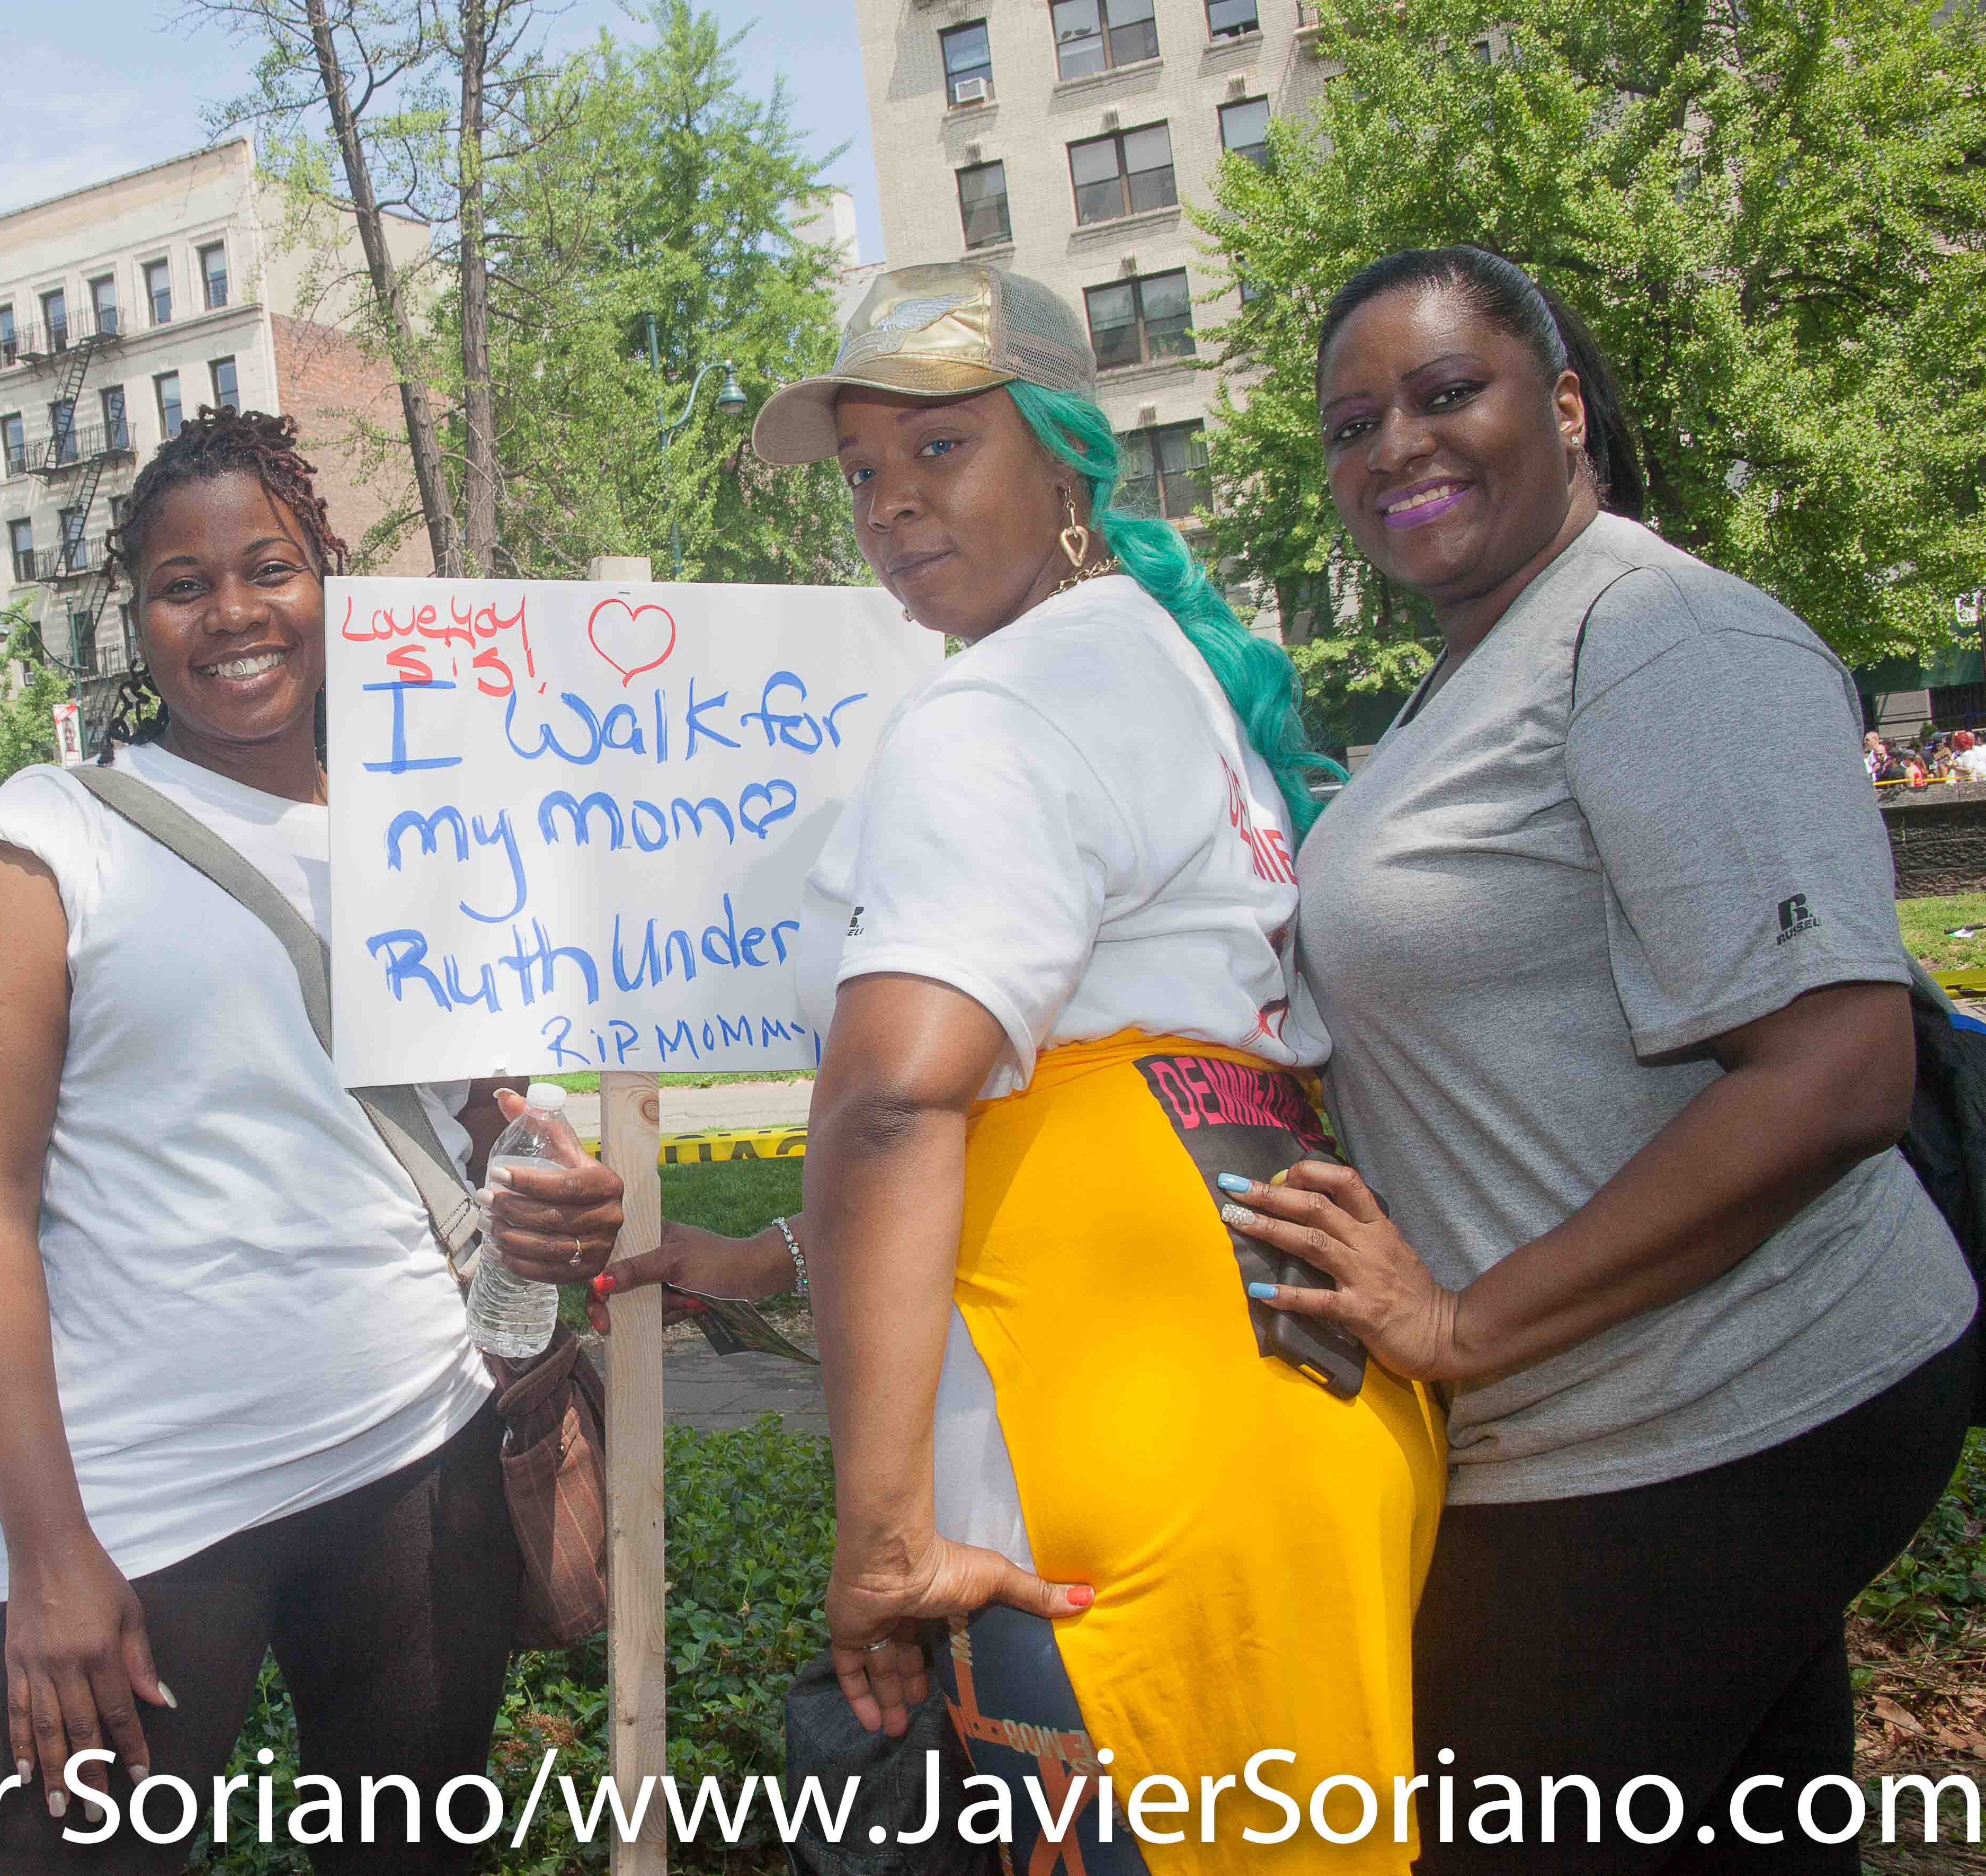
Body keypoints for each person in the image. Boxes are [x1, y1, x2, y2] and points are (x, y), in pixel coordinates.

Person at [606, 262, 1444, 1869]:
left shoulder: (994, 716)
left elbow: (901, 1097)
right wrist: (789, 1250)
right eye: (862, 472)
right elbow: (1088, 1093)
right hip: (1278, 1411)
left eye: (939, 449)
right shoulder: (1156, 667)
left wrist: (877, 1537)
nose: (890, 506)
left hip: (1106, 1463)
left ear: (1064, 450)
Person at [1241, 246, 1979, 1874]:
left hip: (1700, 1417)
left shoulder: (1657, 637)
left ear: (1564, 409)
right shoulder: (1482, 664)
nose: (1394, 449)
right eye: (1351, 422)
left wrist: (1456, 1322)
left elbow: (1836, 1068)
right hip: (1610, 1426)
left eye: (1446, 395)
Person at [0, 407, 628, 1874]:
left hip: (416, 1448)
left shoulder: (436, 825)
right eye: (184, 585)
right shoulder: (51, 834)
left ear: (332, 582)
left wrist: (546, 1195)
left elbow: (482, 1123)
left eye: (270, 568)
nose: (232, 613)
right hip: (135, 1495)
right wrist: (48, 1548)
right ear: (139, 614)